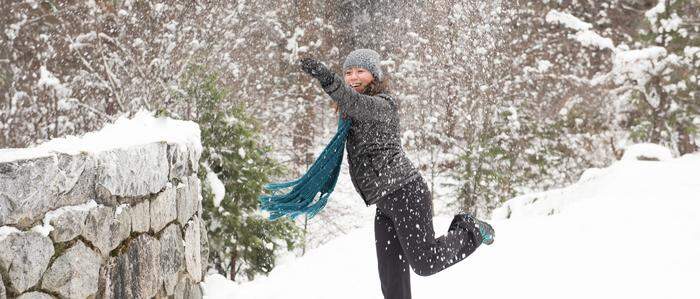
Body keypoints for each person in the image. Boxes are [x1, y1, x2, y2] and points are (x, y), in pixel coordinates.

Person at [300, 49, 495, 299]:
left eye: (360, 71)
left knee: (425, 262)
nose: (353, 77)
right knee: (393, 283)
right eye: (348, 72)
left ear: (375, 75)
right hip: (385, 203)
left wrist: (328, 79)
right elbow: (351, 103)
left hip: (406, 194)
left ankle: (471, 229)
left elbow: (355, 102)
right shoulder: (351, 113)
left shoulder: (382, 105)